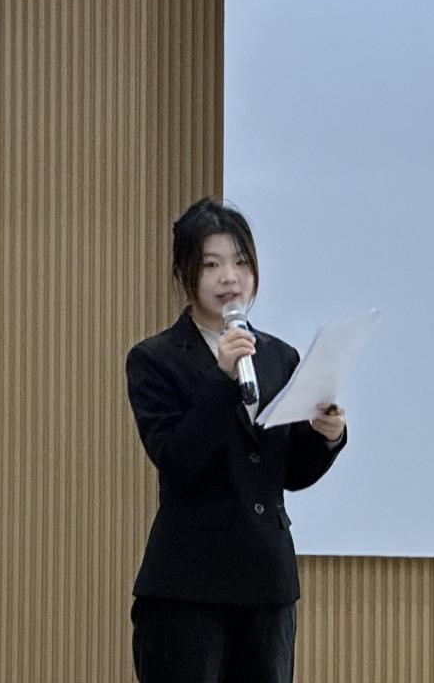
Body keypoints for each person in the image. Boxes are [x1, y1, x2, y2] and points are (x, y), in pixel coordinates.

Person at [126, 197, 347, 683]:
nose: (230, 277)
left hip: (267, 584)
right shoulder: (155, 358)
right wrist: (223, 378)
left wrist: (325, 438)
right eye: (212, 264)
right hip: (188, 585)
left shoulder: (278, 356)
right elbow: (176, 458)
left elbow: (289, 474)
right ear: (185, 272)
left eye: (241, 262)